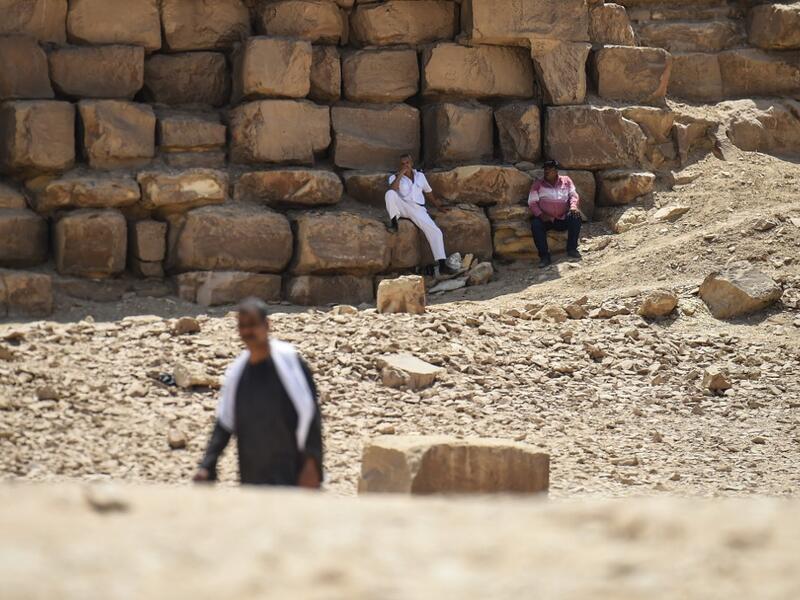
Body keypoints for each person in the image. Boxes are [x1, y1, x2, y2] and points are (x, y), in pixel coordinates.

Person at [193, 298, 323, 488]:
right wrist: (207, 465)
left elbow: (310, 413)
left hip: (291, 474)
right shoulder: (237, 374)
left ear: (266, 325)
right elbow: (224, 423)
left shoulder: (290, 365)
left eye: (253, 324)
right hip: (252, 476)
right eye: (242, 326)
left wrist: (312, 465)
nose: (248, 331)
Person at [385, 154, 457, 276]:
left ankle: (442, 264)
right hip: (403, 206)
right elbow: (393, 189)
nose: (406, 165)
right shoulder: (394, 177)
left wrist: (438, 206)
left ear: (412, 163)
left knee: (435, 231)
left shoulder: (420, 176)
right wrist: (401, 174)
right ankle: (394, 223)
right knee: (389, 194)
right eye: (403, 164)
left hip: (418, 208)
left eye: (407, 163)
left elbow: (428, 192)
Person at [528, 160, 582, 268]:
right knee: (536, 224)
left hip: (563, 217)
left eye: (549, 169)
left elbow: (573, 195)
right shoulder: (538, 184)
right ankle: (544, 257)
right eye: (545, 169)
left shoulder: (566, 181)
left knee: (576, 216)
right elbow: (532, 202)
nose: (546, 171)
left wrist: (573, 207)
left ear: (556, 171)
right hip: (547, 219)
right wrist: (540, 214)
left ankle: (572, 249)